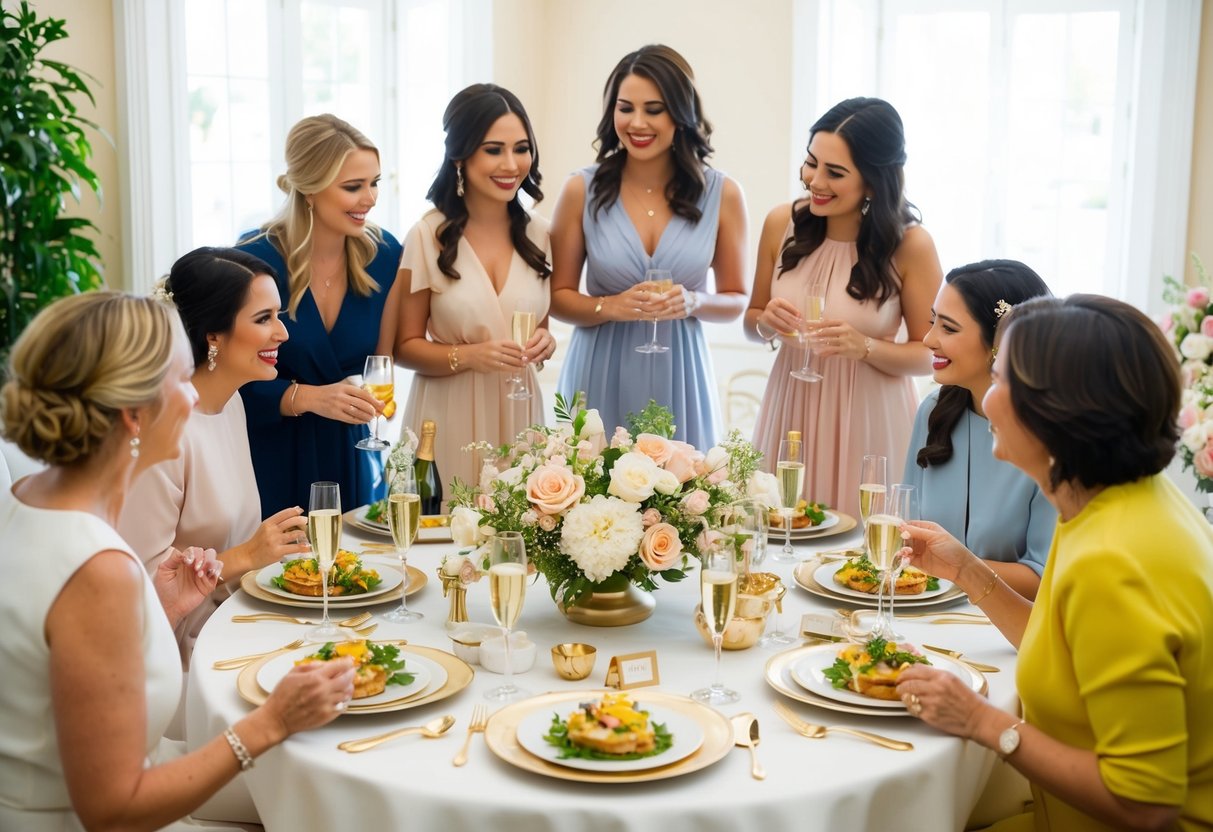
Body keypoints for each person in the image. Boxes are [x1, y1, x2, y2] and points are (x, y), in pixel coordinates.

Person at [0, 292, 354, 831]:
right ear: (134, 415)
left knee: (326, 794)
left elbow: (67, 671)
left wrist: (159, 611)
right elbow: (112, 810)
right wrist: (271, 723)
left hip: (121, 775)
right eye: (178, 379)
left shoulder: (24, 495)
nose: (192, 396)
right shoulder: (97, 570)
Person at [897, 295, 1213, 831]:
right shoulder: (1105, 497)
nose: (986, 401)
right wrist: (969, 571)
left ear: (1057, 411)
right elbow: (1059, 644)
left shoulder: (1114, 562)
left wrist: (980, 720)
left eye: (999, 382)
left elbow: (1147, 805)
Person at [746, 97, 942, 518]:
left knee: (861, 558)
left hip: (869, 420)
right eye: (811, 163)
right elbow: (752, 319)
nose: (815, 181)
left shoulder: (911, 246)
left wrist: (865, 347)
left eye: (834, 173)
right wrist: (765, 323)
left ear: (873, 181)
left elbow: (932, 354)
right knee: (783, 531)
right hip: (791, 409)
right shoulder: (781, 223)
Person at [550, 44, 748, 449]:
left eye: (654, 109)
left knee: (682, 500)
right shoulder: (579, 190)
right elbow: (557, 297)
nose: (637, 122)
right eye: (626, 108)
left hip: (681, 372)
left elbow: (736, 299)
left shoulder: (722, 193)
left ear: (681, 113)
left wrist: (692, 302)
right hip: (599, 367)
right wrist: (611, 306)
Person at [119, 248, 311, 662]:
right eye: (263, 319)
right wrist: (248, 555)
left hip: (235, 623)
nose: (283, 333)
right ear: (213, 336)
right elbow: (137, 595)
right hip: (180, 658)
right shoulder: (163, 430)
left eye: (278, 315)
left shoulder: (231, 403)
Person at [237, 114, 402, 516]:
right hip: (269, 447)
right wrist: (307, 397)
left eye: (375, 183)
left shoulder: (384, 255)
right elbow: (227, 373)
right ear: (309, 190)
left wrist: (373, 401)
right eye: (353, 187)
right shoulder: (253, 258)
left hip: (346, 445)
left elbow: (383, 361)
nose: (371, 198)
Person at [394, 84, 556, 490]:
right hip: (446, 415)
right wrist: (468, 355)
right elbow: (404, 347)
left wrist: (544, 344)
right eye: (493, 149)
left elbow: (541, 328)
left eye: (521, 148)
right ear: (460, 155)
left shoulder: (541, 233)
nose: (511, 163)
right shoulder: (427, 235)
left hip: (521, 412)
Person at [901, 260, 1055, 599]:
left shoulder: (1049, 439)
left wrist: (956, 566)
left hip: (1009, 633)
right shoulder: (933, 411)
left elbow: (1046, 578)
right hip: (921, 615)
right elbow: (905, 529)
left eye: (949, 328)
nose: (928, 339)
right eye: (932, 322)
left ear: (1003, 341)